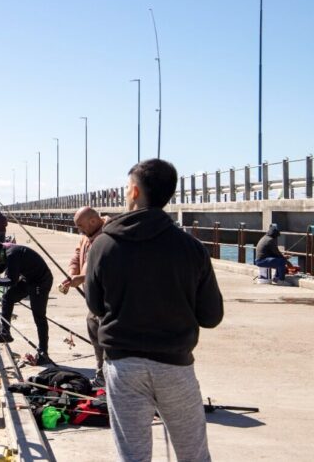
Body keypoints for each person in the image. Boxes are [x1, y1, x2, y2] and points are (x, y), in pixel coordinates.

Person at [85, 158, 224, 462]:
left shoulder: (103, 245)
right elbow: (211, 316)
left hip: (123, 366)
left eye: (126, 188)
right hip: (175, 365)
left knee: (133, 456)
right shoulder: (192, 248)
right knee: (194, 455)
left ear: (135, 191)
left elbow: (95, 306)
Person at [0, 237, 53, 365]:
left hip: (41, 281)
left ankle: (43, 352)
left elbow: (11, 281)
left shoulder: (12, 254)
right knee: (7, 298)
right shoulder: (5, 252)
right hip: (29, 279)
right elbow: (2, 266)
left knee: (39, 316)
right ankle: (5, 333)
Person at [59, 206, 107, 387]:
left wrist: (82, 278)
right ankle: (101, 375)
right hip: (93, 299)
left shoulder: (108, 236)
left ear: (93, 221)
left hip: (106, 300)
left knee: (106, 339)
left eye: (81, 226)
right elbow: (77, 254)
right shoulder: (87, 236)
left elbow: (105, 269)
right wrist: (72, 273)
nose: (79, 230)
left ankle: (106, 377)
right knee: (94, 332)